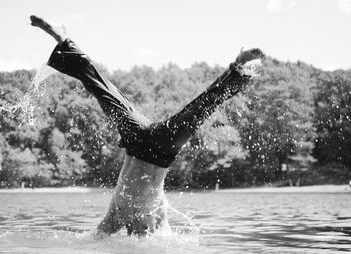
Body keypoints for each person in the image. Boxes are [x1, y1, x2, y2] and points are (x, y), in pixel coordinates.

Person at [30, 15, 264, 237]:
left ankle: (63, 39)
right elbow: (169, 240)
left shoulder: (116, 219)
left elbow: (93, 239)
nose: (140, 234)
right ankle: (239, 66)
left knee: (102, 89)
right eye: (143, 233)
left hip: (136, 140)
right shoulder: (159, 219)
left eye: (139, 234)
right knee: (201, 109)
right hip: (163, 147)